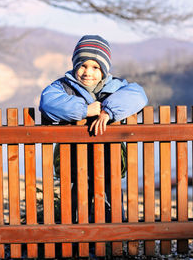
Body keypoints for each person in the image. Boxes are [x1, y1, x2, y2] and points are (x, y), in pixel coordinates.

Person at [39, 34, 148, 223]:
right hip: (72, 159)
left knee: (110, 197)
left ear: (104, 70)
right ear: (74, 65)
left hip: (109, 160)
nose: (88, 72)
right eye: (83, 65)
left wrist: (108, 111)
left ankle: (111, 239)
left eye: (95, 67)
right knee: (76, 199)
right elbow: (48, 102)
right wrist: (84, 110)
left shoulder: (115, 87)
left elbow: (138, 95)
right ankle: (73, 235)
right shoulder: (64, 87)